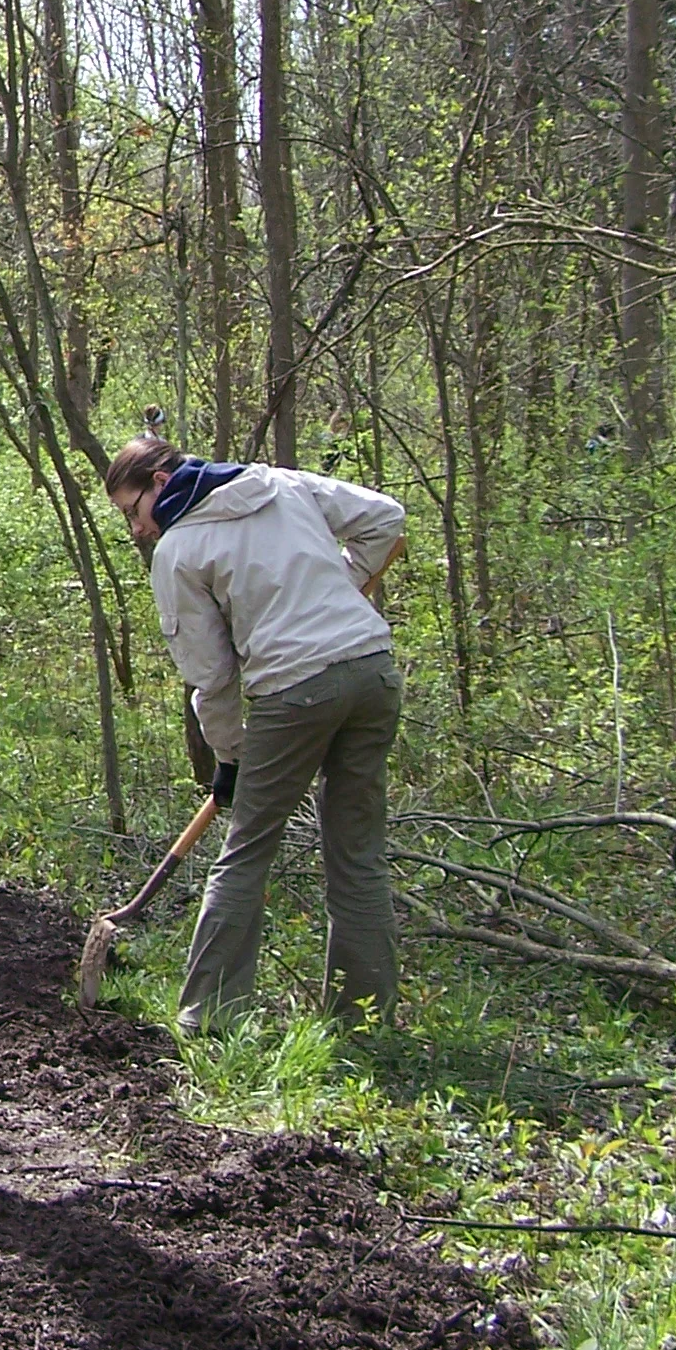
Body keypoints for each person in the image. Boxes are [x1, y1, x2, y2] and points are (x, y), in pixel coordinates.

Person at [102, 438, 407, 1032]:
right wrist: (345, 587)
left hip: (296, 691)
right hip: (373, 670)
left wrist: (230, 755)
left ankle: (208, 1020)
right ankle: (363, 1022)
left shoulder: (179, 549)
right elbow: (385, 518)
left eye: (131, 511)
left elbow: (211, 677)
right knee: (358, 855)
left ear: (161, 483)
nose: (135, 528)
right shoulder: (279, 483)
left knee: (245, 853)